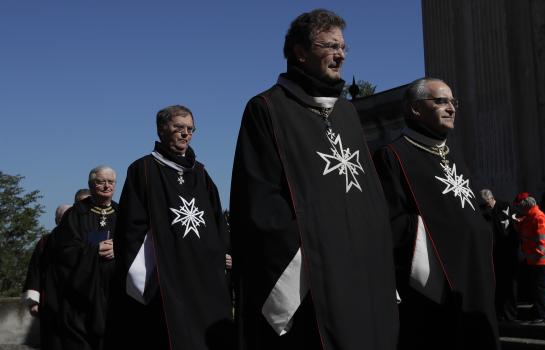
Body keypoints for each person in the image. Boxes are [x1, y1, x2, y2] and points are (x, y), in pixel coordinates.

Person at [230, 9, 398, 350]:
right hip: (310, 275)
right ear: (300, 52)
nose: (340, 54)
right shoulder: (266, 109)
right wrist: (311, 256)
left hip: (364, 269)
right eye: (330, 45)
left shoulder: (348, 112)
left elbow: (370, 195)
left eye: (344, 47)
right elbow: (260, 204)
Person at [372, 77, 499, 349]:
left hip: (475, 277)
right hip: (432, 288)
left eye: (454, 102)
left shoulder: (454, 156)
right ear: (415, 109)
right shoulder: (392, 156)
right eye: (441, 101)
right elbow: (389, 225)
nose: (451, 108)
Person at [105, 105, 232, 350]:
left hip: (205, 275)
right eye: (179, 128)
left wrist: (221, 255)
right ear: (162, 130)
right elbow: (131, 228)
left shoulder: (201, 173)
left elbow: (217, 220)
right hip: (164, 277)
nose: (186, 134)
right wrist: (145, 274)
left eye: (190, 129)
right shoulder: (142, 169)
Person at [53, 166, 118, 350]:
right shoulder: (74, 215)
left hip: (116, 292)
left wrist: (120, 248)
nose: (107, 186)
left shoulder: (124, 213)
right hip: (82, 295)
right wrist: (93, 250)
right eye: (101, 182)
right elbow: (63, 250)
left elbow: (137, 245)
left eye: (111, 182)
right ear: (91, 185)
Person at [21, 203, 71, 350]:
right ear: (56, 220)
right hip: (50, 301)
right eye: (62, 218)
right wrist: (33, 301)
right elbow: (35, 270)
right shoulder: (45, 242)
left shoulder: (82, 240)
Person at [513, 192, 545, 323]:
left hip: (540, 260)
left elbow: (544, 241)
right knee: (535, 289)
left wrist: (534, 255)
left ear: (526, 206)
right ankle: (537, 312)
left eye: (520, 208)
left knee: (540, 289)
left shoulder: (538, 217)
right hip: (533, 259)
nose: (519, 211)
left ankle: (542, 315)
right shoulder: (530, 216)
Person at [480, 189, 519, 322]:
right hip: (493, 254)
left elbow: (511, 228)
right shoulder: (483, 211)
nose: (487, 206)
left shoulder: (505, 207)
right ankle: (499, 313)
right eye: (484, 204)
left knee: (508, 284)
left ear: (492, 198)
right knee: (497, 285)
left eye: (487, 203)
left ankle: (510, 313)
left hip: (507, 253)